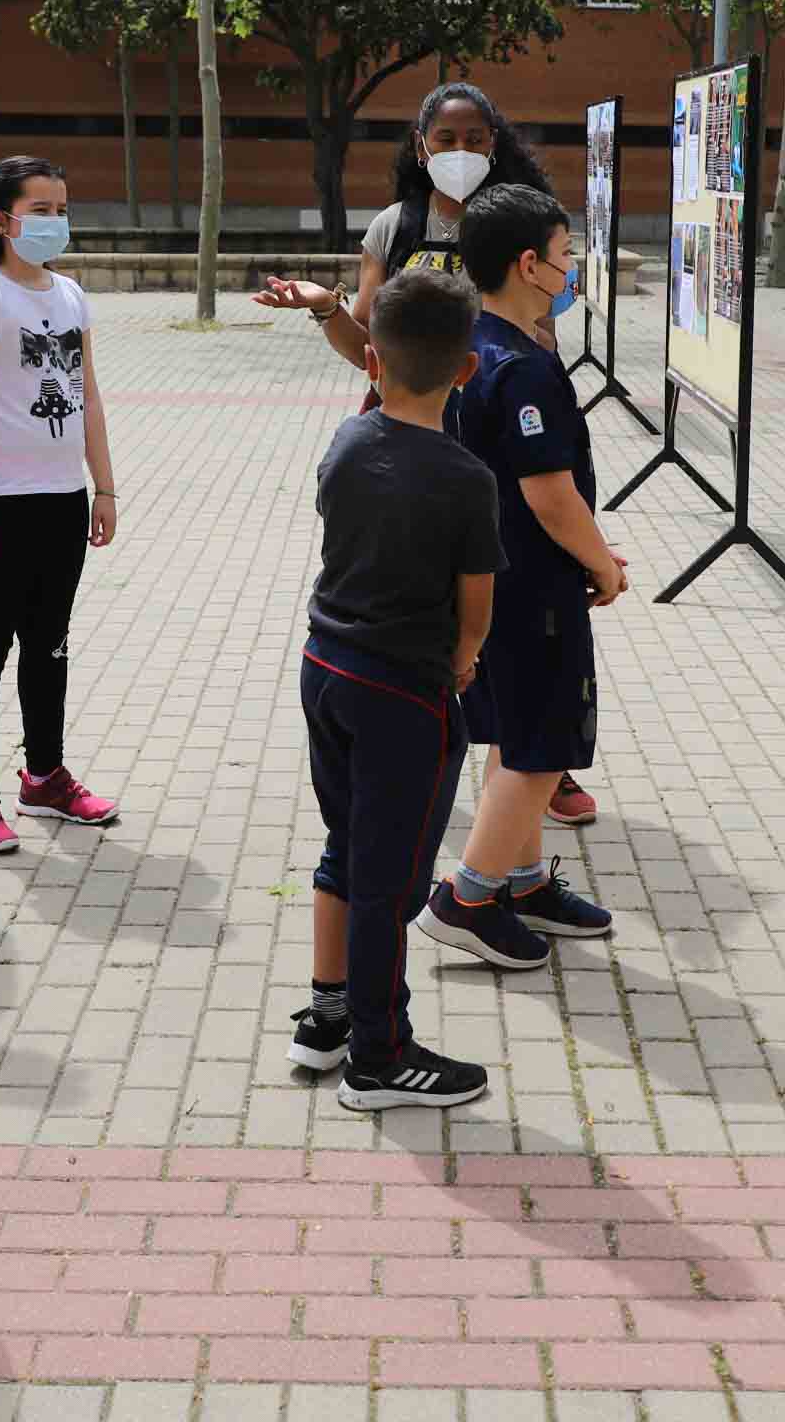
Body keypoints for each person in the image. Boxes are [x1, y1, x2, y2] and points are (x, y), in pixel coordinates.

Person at [253, 82, 603, 830]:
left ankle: (537, 760)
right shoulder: (396, 227)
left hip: (491, 445)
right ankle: (442, 741)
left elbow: (539, 335)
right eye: (445, 141)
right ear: (420, 148)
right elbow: (369, 349)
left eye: (477, 139)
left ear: (496, 144)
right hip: (410, 447)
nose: (462, 154)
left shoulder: (521, 226)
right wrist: (325, 308)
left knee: (511, 599)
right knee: (433, 611)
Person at [292, 267, 501, 1111]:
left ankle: (329, 1013)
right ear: (468, 370)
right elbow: (475, 609)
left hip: (326, 670)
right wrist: (464, 661)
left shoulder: (348, 440)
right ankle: (379, 1057)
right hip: (405, 696)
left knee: (347, 846)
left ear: (371, 360)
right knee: (393, 882)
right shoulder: (465, 477)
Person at [418, 183, 622, 970]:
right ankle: (467, 899)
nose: (573, 271)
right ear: (529, 265)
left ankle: (527, 882)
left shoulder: (473, 343)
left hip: (489, 575)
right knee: (541, 747)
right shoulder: (523, 368)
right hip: (533, 584)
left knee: (513, 733)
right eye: (566, 257)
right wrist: (599, 561)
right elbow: (549, 492)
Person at [0, 155, 121, 853]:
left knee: (49, 644)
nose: (55, 222)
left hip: (62, 503)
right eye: (40, 210)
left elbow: (90, 397)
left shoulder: (70, 296)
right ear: (1, 220)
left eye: (61, 209)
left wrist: (102, 487)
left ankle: (44, 774)